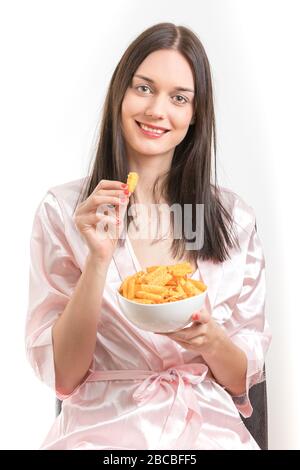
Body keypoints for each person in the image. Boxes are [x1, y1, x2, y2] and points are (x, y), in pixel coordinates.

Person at [25, 22, 271, 450]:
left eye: (179, 98)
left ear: (195, 115)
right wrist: (98, 259)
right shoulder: (63, 211)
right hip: (100, 436)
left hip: (208, 433)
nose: (158, 110)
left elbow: (242, 379)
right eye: (144, 88)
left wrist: (209, 339)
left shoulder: (233, 219)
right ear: (120, 93)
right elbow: (64, 377)